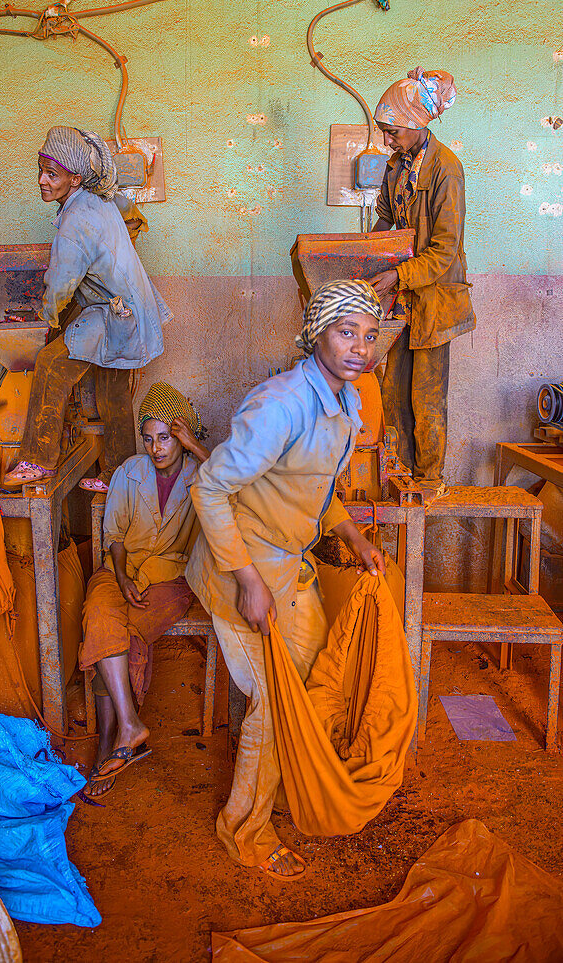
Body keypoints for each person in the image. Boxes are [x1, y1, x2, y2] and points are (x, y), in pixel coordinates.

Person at [186, 280, 386, 881]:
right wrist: (247, 579)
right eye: (345, 332)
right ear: (315, 334)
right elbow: (209, 488)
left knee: (321, 673)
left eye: (370, 336)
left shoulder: (346, 400)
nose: (360, 348)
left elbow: (317, 491)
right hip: (240, 570)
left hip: (288, 568)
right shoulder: (280, 404)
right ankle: (245, 829)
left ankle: (296, 782)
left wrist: (350, 536)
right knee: (276, 702)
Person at [4, 126, 172, 489]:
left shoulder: (75, 222)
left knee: (50, 364)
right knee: (112, 391)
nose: (42, 181)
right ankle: (120, 475)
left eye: (52, 174)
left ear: (74, 178)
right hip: (131, 308)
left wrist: (45, 322)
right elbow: (130, 214)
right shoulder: (100, 197)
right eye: (41, 170)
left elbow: (60, 284)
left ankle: (38, 460)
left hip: (115, 311)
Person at [79, 382, 210, 797]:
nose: (156, 448)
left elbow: (238, 484)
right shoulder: (129, 472)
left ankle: (111, 740)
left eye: (167, 438)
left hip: (170, 580)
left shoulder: (202, 476)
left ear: (183, 435)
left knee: (123, 633)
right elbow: (114, 536)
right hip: (120, 571)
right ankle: (125, 730)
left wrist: (197, 448)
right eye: (150, 439)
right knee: (101, 616)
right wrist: (119, 577)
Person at [368, 67, 475, 502]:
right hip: (403, 302)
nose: (387, 141)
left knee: (425, 398)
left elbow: (445, 251)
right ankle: (398, 474)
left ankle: (429, 480)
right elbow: (386, 221)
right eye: (384, 132)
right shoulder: (397, 166)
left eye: (392, 132)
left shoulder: (446, 169)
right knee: (393, 391)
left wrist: (396, 274)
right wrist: (364, 254)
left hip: (434, 300)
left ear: (415, 125)